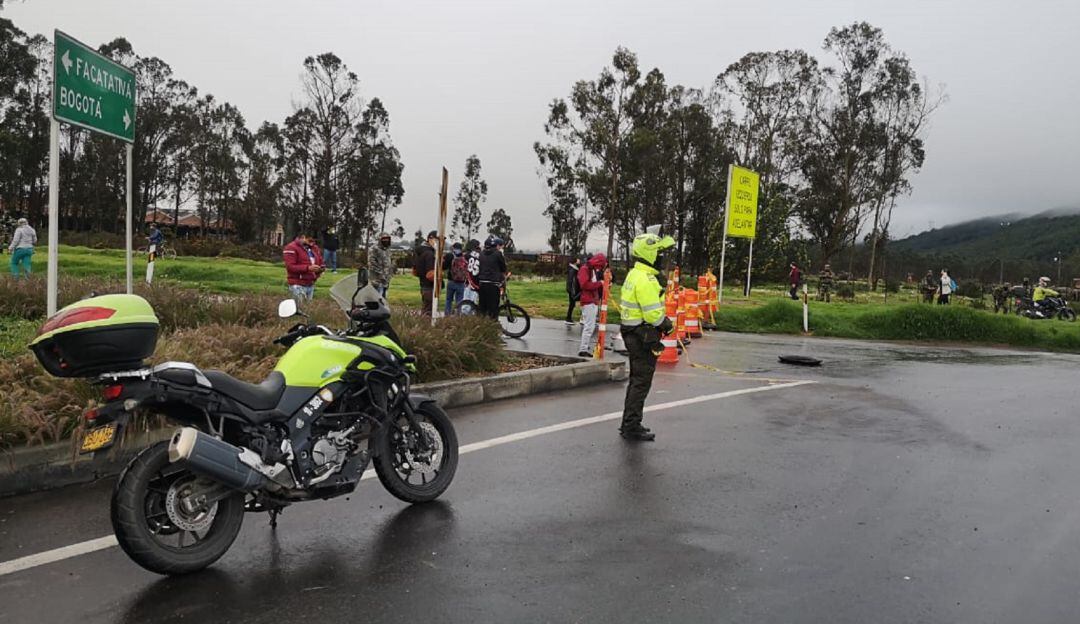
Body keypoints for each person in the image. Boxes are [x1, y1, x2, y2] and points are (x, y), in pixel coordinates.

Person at [618, 231, 676, 442]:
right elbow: (652, 312)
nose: (661, 257)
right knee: (641, 381)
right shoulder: (644, 278)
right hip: (641, 335)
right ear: (649, 253)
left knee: (636, 380)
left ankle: (629, 423)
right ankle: (631, 426)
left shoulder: (635, 274)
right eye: (659, 253)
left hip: (633, 332)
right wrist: (666, 324)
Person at [577, 253, 608, 357]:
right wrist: (600, 283)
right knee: (589, 326)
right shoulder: (585, 269)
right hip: (588, 301)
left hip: (591, 301)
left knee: (590, 326)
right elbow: (584, 285)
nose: (600, 269)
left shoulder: (590, 269)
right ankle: (583, 349)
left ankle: (585, 347)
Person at [283, 231, 324, 302]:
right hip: (297, 284)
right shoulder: (290, 248)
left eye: (313, 241)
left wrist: (320, 269)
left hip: (310, 284)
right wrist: (307, 268)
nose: (312, 243)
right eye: (310, 241)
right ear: (302, 237)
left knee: (308, 309)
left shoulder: (314, 248)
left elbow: (320, 261)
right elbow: (290, 267)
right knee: (298, 307)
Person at [477, 235, 507, 319]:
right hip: (493, 283)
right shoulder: (498, 254)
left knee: (482, 307)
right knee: (493, 307)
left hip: (482, 283)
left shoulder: (481, 254)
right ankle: (492, 324)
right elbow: (503, 268)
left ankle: (480, 325)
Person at [413, 231, 438, 316]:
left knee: (425, 308)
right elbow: (430, 273)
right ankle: (425, 326)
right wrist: (438, 280)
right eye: (436, 240)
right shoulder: (429, 254)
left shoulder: (420, 251)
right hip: (429, 285)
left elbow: (415, 270)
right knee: (428, 310)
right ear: (430, 239)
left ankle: (423, 325)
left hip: (423, 283)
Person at [442, 242, 468, 315]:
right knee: (459, 301)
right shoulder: (464, 257)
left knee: (449, 300)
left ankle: (447, 316)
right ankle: (458, 317)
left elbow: (443, 267)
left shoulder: (449, 256)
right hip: (461, 283)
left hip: (451, 281)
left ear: (453, 248)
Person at [368, 232, 394, 297]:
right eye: (384, 239)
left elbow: (389, 262)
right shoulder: (374, 249)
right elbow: (371, 263)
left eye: (387, 239)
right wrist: (380, 274)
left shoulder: (388, 249)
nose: (386, 241)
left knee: (384, 296)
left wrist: (390, 273)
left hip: (386, 279)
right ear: (380, 239)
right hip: (376, 279)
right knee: (376, 296)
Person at [462, 238, 481, 306]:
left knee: (465, 300)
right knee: (473, 302)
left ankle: (464, 315)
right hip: (476, 281)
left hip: (468, 280)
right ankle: (471, 316)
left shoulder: (467, 255)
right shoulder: (480, 255)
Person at [565, 255, 582, 326]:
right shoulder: (573, 270)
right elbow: (571, 281)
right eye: (578, 259)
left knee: (572, 304)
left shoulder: (574, 269)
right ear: (575, 261)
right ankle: (568, 318)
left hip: (572, 290)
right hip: (572, 290)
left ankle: (568, 318)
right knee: (572, 304)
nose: (579, 260)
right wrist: (572, 291)